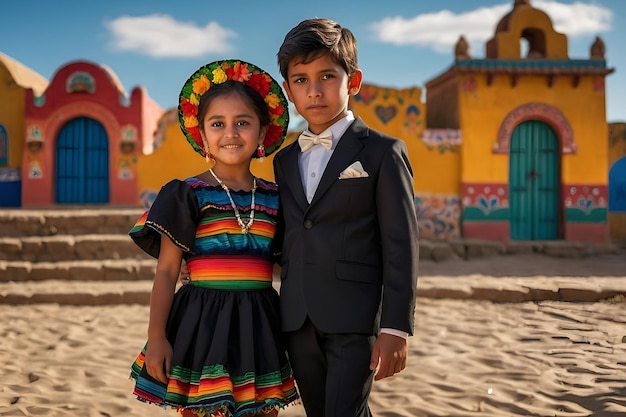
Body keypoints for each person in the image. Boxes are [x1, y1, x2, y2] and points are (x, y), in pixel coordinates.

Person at [128, 59, 298, 417]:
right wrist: (157, 337)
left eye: (243, 122)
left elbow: (292, 265)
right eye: (217, 124)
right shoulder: (188, 193)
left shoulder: (276, 197)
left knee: (262, 410)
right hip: (202, 324)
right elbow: (166, 271)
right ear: (203, 135)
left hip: (260, 327)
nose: (230, 133)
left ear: (262, 131)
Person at [272, 18, 420, 417]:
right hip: (297, 319)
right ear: (287, 90)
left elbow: (401, 246)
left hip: (354, 320)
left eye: (326, 76)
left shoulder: (382, 153)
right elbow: (286, 235)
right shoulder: (283, 160)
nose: (314, 90)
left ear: (352, 82)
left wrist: (395, 327)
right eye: (300, 80)